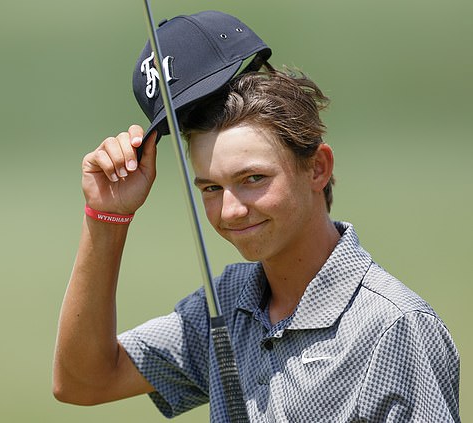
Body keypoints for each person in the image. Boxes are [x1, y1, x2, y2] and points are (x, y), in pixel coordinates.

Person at [53, 10, 460, 422]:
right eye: (211, 187)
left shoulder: (396, 326)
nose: (230, 209)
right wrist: (106, 219)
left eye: (253, 178)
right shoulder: (232, 302)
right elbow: (84, 381)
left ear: (317, 168)